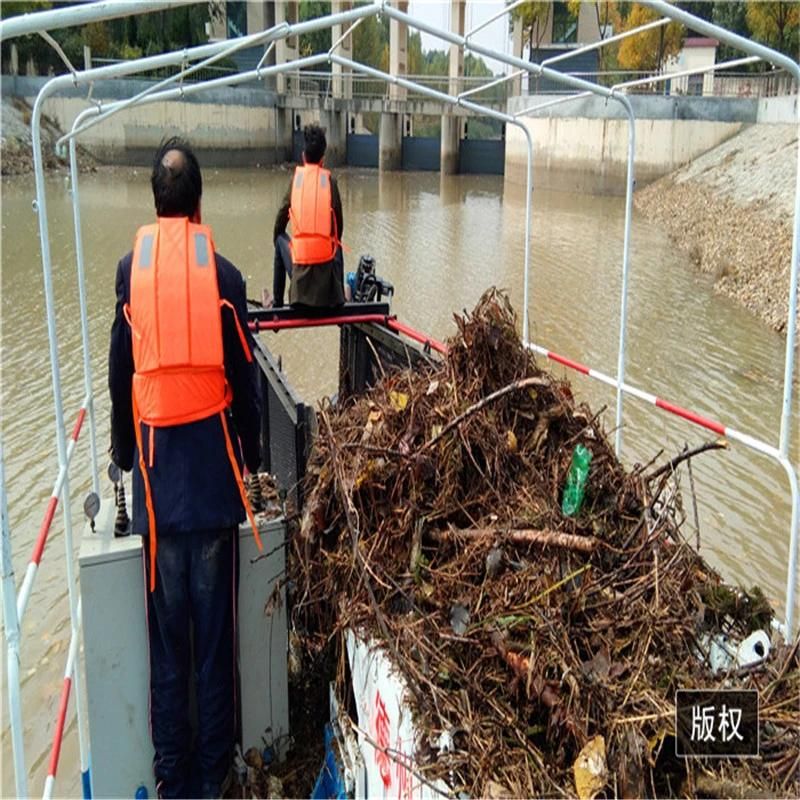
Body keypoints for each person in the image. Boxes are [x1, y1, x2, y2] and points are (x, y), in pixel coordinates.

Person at [108, 137, 262, 799]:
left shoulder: (128, 274)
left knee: (167, 650)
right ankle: (218, 775)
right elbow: (247, 384)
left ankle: (173, 779)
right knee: (215, 648)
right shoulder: (226, 279)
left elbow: (121, 379)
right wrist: (252, 463)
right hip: (214, 495)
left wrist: (122, 459)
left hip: (158, 497)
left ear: (155, 202)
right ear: (198, 205)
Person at [271, 123, 346, 308]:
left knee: (280, 238)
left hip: (300, 286)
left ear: (303, 157)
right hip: (327, 282)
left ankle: (278, 304)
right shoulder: (330, 182)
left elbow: (280, 220)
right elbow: (339, 227)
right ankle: (339, 296)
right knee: (336, 242)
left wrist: (279, 242)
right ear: (323, 159)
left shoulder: (296, 182)